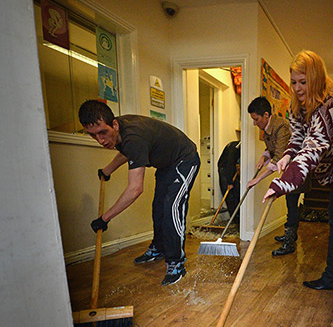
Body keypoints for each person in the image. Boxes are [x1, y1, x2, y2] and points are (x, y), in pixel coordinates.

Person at [261, 51, 333, 290]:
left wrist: (283, 183)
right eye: (294, 82)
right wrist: (286, 155)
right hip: (331, 171)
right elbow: (298, 139)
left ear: (316, 78)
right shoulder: (298, 106)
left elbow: (314, 146)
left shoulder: (330, 104)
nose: (297, 88)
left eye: (303, 82)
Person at [78, 100, 200, 286]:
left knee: (172, 207)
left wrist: (105, 218)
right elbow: (129, 152)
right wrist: (108, 169)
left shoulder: (133, 136)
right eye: (93, 135)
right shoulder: (121, 134)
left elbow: (135, 189)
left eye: (103, 132)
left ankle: (176, 263)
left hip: (185, 160)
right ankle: (159, 248)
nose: (101, 140)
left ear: (115, 124)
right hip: (166, 165)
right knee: (158, 207)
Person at [246, 96, 302, 256]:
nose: (254, 123)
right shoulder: (266, 131)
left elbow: (278, 158)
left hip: (296, 169)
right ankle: (290, 233)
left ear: (265, 115)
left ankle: (289, 242)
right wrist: (263, 156)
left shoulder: (281, 127)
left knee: (292, 202)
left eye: (256, 119)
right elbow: (271, 149)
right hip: (285, 168)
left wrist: (257, 179)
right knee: (289, 202)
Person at [217, 140, 241, 224]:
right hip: (224, 169)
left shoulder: (239, 146)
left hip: (231, 168)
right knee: (229, 196)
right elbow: (230, 164)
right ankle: (234, 220)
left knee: (237, 192)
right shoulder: (235, 148)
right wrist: (230, 183)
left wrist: (238, 165)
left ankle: (238, 217)